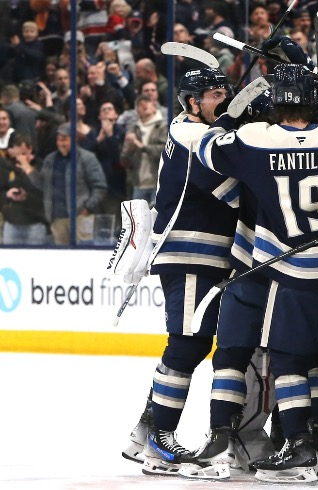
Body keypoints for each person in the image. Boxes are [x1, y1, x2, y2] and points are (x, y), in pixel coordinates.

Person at [195, 63, 318, 483]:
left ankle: (296, 445)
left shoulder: (256, 139)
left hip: (290, 269)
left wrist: (233, 111)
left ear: (275, 101)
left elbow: (205, 148)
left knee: (288, 359)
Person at [123, 68, 238, 476]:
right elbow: (231, 180)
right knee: (187, 346)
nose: (224, 101)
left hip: (200, 256)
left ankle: (143, 434)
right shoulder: (193, 134)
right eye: (216, 95)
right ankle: (159, 441)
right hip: (191, 254)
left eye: (226, 94)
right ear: (193, 102)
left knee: (188, 345)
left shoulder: (188, 128)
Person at [19, 126, 106, 245]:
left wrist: (87, 207)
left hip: (80, 217)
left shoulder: (87, 158)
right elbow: (44, 185)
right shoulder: (50, 159)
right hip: (57, 219)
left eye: (64, 139)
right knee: (62, 258)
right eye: (58, 140)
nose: (61, 143)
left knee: (84, 254)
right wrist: (29, 170)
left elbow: (100, 187)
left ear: (74, 139)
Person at [120, 94, 166, 207]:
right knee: (138, 222)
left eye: (147, 102)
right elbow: (124, 161)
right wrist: (130, 149)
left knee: (157, 220)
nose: (144, 105)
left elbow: (165, 151)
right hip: (138, 184)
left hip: (158, 183)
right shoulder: (134, 130)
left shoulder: (163, 126)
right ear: (137, 111)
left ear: (154, 106)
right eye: (140, 104)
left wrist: (142, 147)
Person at [1, 134, 46, 245]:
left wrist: (28, 169)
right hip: (12, 223)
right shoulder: (8, 167)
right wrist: (7, 194)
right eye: (17, 155)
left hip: (35, 223)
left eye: (23, 154)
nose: (20, 158)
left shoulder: (41, 165)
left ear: (30, 149)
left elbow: (45, 191)